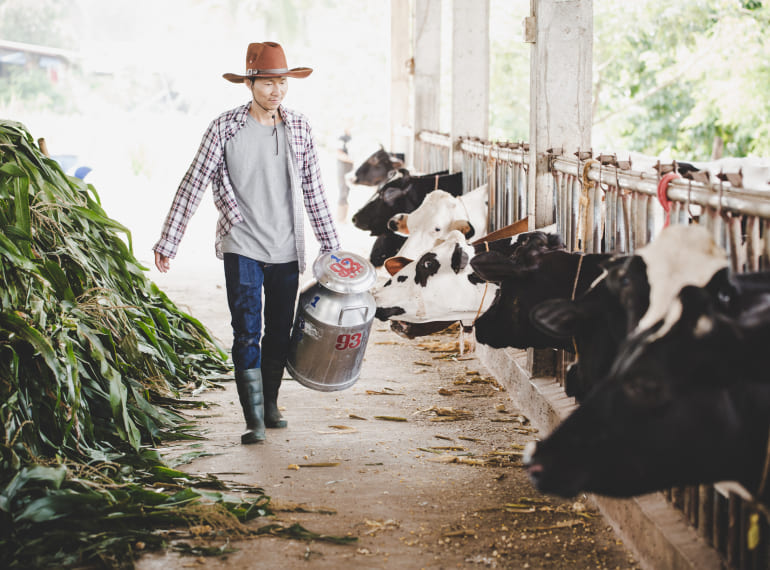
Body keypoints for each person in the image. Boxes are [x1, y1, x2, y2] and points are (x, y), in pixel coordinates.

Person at [153, 42, 341, 445]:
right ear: (250, 82)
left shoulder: (300, 128)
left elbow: (315, 191)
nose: (277, 90)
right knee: (246, 330)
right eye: (268, 82)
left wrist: (332, 248)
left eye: (282, 82)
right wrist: (169, 240)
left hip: (287, 248)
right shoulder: (224, 128)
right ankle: (252, 417)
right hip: (242, 243)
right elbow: (193, 184)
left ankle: (270, 404)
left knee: (280, 329)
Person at [336, 126, 353, 222]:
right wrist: (351, 159)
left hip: (350, 166)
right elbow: (338, 153)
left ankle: (344, 218)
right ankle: (340, 218)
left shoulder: (352, 138)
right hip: (343, 166)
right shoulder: (342, 138)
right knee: (343, 190)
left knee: (347, 190)